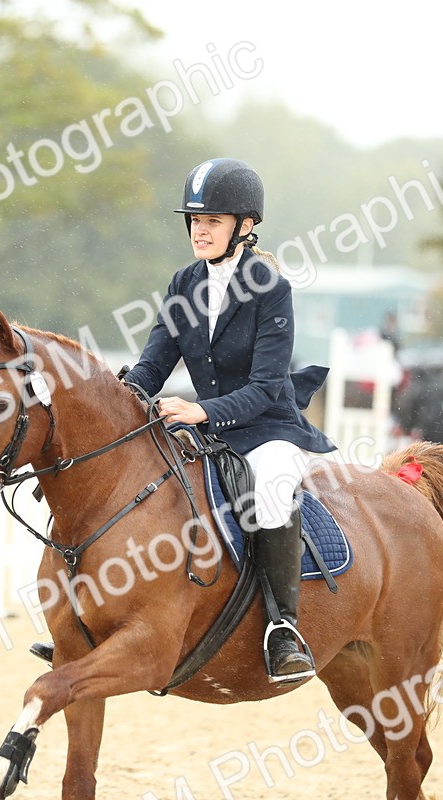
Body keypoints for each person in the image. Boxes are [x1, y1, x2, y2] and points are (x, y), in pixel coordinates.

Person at [34, 158, 337, 684]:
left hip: (267, 427)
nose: (200, 230)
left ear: (244, 227)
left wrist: (201, 410)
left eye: (212, 221)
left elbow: (267, 387)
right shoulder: (184, 284)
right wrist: (120, 403)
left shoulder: (270, 288)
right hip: (208, 428)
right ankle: (94, 619)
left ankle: (283, 628)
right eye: (194, 220)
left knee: (271, 488)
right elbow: (154, 364)